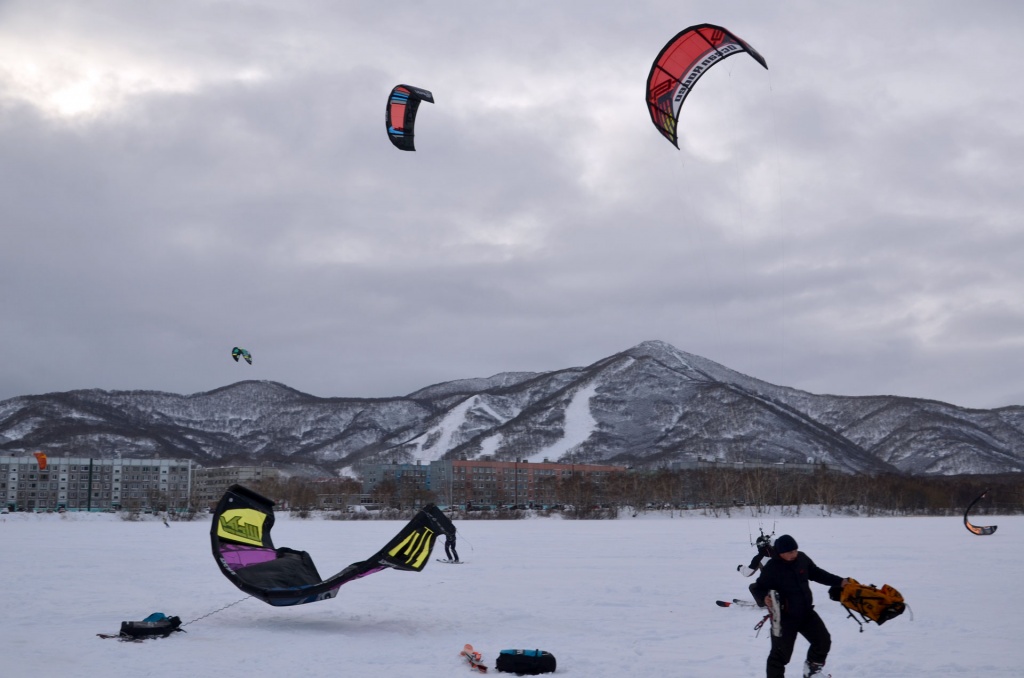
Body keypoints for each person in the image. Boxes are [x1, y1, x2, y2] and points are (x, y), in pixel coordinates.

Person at [748, 534, 848, 678]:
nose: (794, 554)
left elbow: (817, 573)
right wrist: (764, 598)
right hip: (784, 619)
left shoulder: (802, 559)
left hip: (806, 612)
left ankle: (812, 672)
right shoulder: (772, 568)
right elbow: (757, 588)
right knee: (779, 656)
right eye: (790, 552)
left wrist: (840, 581)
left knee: (823, 641)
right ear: (780, 552)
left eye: (795, 550)